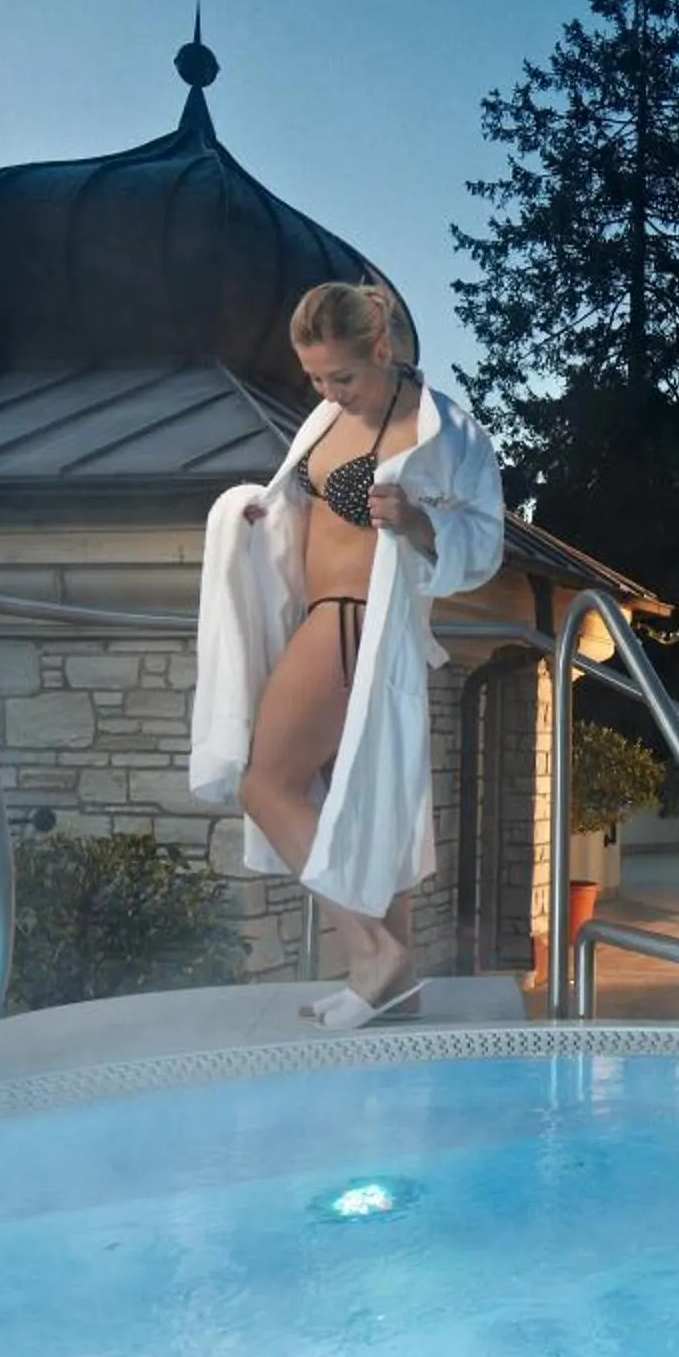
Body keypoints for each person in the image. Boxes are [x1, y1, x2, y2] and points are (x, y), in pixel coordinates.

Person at [187, 280, 506, 1027]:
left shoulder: (442, 431)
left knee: (265, 784)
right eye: (316, 378)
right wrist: (256, 515)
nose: (330, 391)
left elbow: (486, 540)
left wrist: (423, 525)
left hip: (358, 619)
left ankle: (369, 952)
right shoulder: (327, 419)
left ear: (384, 350)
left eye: (344, 376)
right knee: (362, 805)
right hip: (319, 612)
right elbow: (308, 505)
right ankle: (394, 981)